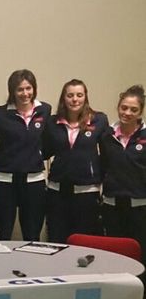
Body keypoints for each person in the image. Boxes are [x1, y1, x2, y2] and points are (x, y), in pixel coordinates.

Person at [0, 69, 51, 241]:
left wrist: (36, 156)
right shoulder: (1, 114)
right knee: (2, 236)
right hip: (5, 182)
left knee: (32, 236)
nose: (25, 93)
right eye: (20, 89)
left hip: (34, 182)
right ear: (12, 91)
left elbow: (50, 141)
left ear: (34, 89)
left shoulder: (44, 110)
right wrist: (3, 160)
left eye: (28, 88)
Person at [43, 79, 107, 243]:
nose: (75, 99)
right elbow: (44, 150)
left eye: (79, 95)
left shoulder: (99, 120)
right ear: (63, 98)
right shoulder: (52, 122)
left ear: (85, 97)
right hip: (57, 192)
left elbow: (108, 154)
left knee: (84, 242)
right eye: (70, 95)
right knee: (57, 240)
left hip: (86, 193)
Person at [100, 85, 146, 257]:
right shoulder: (107, 135)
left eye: (134, 109)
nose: (127, 112)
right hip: (112, 206)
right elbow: (104, 165)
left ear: (140, 112)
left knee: (141, 256)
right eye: (124, 107)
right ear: (118, 107)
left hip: (140, 208)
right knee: (115, 256)